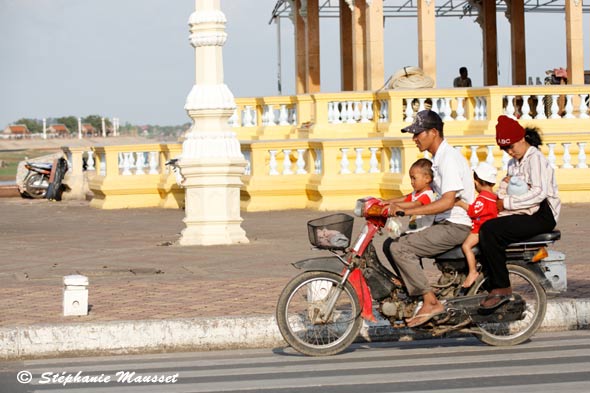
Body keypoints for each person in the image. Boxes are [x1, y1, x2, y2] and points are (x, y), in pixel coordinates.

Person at [382, 110, 475, 328]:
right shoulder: (437, 160)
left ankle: (430, 301)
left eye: (418, 133)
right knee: (390, 244)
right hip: (444, 223)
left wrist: (408, 213)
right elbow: (416, 196)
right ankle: (414, 289)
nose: (414, 138)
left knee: (400, 248)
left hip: (455, 225)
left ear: (434, 132)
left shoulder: (448, 159)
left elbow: (447, 202)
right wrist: (385, 203)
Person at [478, 115, 561, 311]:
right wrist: (503, 192)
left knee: (492, 231)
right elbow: (503, 190)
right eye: (506, 149)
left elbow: (539, 193)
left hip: (542, 214)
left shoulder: (536, 159)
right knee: (482, 225)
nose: (510, 151)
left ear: (522, 138)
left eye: (512, 146)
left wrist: (506, 202)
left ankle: (501, 287)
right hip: (522, 210)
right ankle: (487, 283)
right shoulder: (512, 164)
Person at [455, 162, 498, 295]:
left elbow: (473, 211)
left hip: (479, 229)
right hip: (488, 227)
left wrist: (460, 203)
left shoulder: (483, 197)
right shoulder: (494, 197)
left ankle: (472, 271)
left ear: (478, 182)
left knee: (466, 246)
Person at [384, 158, 436, 235]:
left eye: (414, 178)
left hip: (422, 233)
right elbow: (404, 198)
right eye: (411, 178)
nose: (412, 182)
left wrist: (394, 206)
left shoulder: (427, 195)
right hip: (413, 231)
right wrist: (386, 202)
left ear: (427, 179)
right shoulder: (415, 193)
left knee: (396, 245)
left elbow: (415, 204)